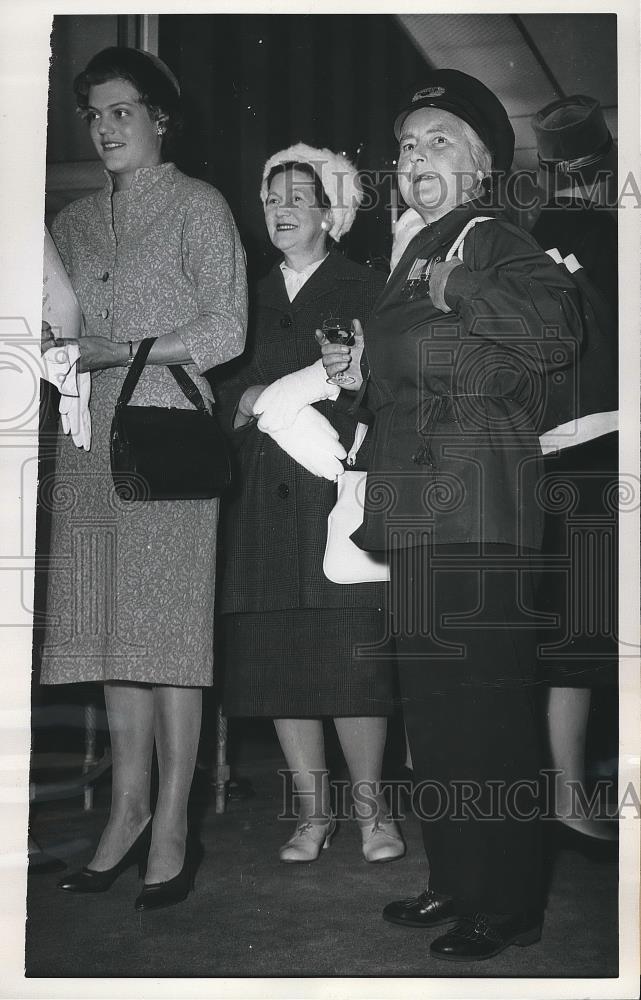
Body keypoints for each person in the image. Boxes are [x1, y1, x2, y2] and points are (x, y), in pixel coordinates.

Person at [321, 70, 585, 960]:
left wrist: (451, 290)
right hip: (418, 504)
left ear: (478, 167)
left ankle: (505, 900)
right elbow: (414, 373)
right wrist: (362, 378)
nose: (413, 157)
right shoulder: (416, 248)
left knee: (485, 713)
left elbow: (554, 330)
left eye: (437, 141)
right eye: (405, 146)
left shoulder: (490, 236)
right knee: (433, 711)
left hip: (480, 503)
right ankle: (455, 877)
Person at [38, 47, 247, 911]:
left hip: (166, 439)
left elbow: (226, 328)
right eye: (94, 114)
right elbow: (52, 326)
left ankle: (170, 825)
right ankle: (121, 814)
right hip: (89, 448)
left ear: (161, 119)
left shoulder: (200, 205)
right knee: (109, 637)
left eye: (123, 111)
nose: (105, 127)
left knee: (167, 644)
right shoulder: (71, 223)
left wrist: (121, 351)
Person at [216, 144, 404, 864]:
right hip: (260, 500)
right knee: (278, 661)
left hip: (334, 496)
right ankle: (311, 814)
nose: (282, 211)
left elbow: (383, 391)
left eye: (298, 198)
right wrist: (250, 400)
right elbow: (218, 388)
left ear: (332, 212)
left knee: (352, 661)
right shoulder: (241, 293)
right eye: (271, 200)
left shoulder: (366, 288)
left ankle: (372, 813)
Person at [530, 95, 618, 841]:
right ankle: (571, 801)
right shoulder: (600, 233)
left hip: (562, 451)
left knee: (574, 631)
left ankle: (568, 798)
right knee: (583, 631)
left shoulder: (531, 235)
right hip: (598, 450)